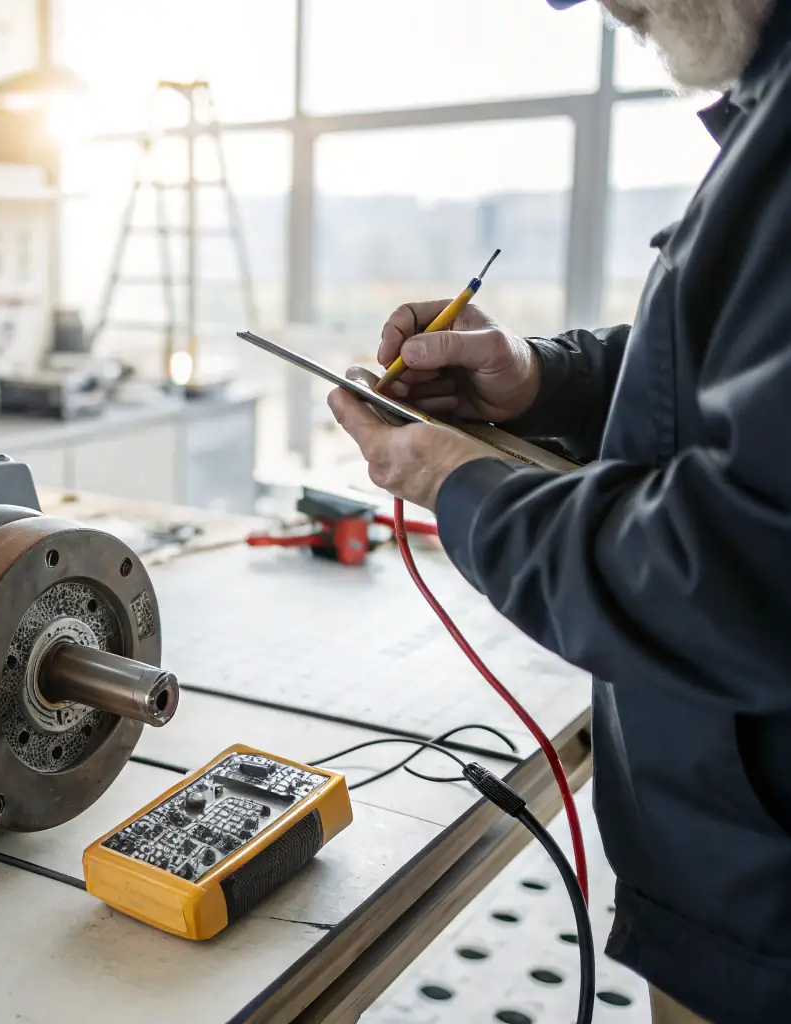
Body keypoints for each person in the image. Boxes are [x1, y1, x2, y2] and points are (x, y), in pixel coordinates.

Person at [327, 1, 791, 1022]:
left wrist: (458, 479)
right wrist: (542, 383)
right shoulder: (772, 102)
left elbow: (729, 566)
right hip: (734, 873)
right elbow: (737, 375)